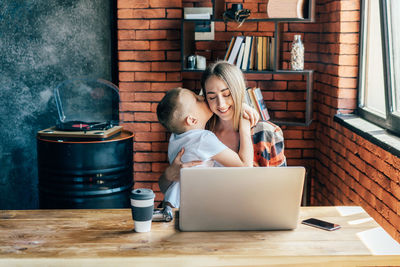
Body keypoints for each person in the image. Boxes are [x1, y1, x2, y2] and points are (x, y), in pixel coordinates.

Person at [159, 60, 286, 194]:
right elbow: (166, 188)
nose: (221, 104)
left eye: (226, 94)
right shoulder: (197, 131)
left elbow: (281, 190)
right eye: (212, 97)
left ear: (238, 91)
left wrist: (243, 122)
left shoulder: (267, 133)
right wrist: (168, 174)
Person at [156, 87, 254, 208]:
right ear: (192, 120)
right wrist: (245, 125)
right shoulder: (203, 139)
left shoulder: (175, 137)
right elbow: (245, 166)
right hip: (192, 205)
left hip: (174, 201)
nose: (203, 98)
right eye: (198, 99)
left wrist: (241, 105)